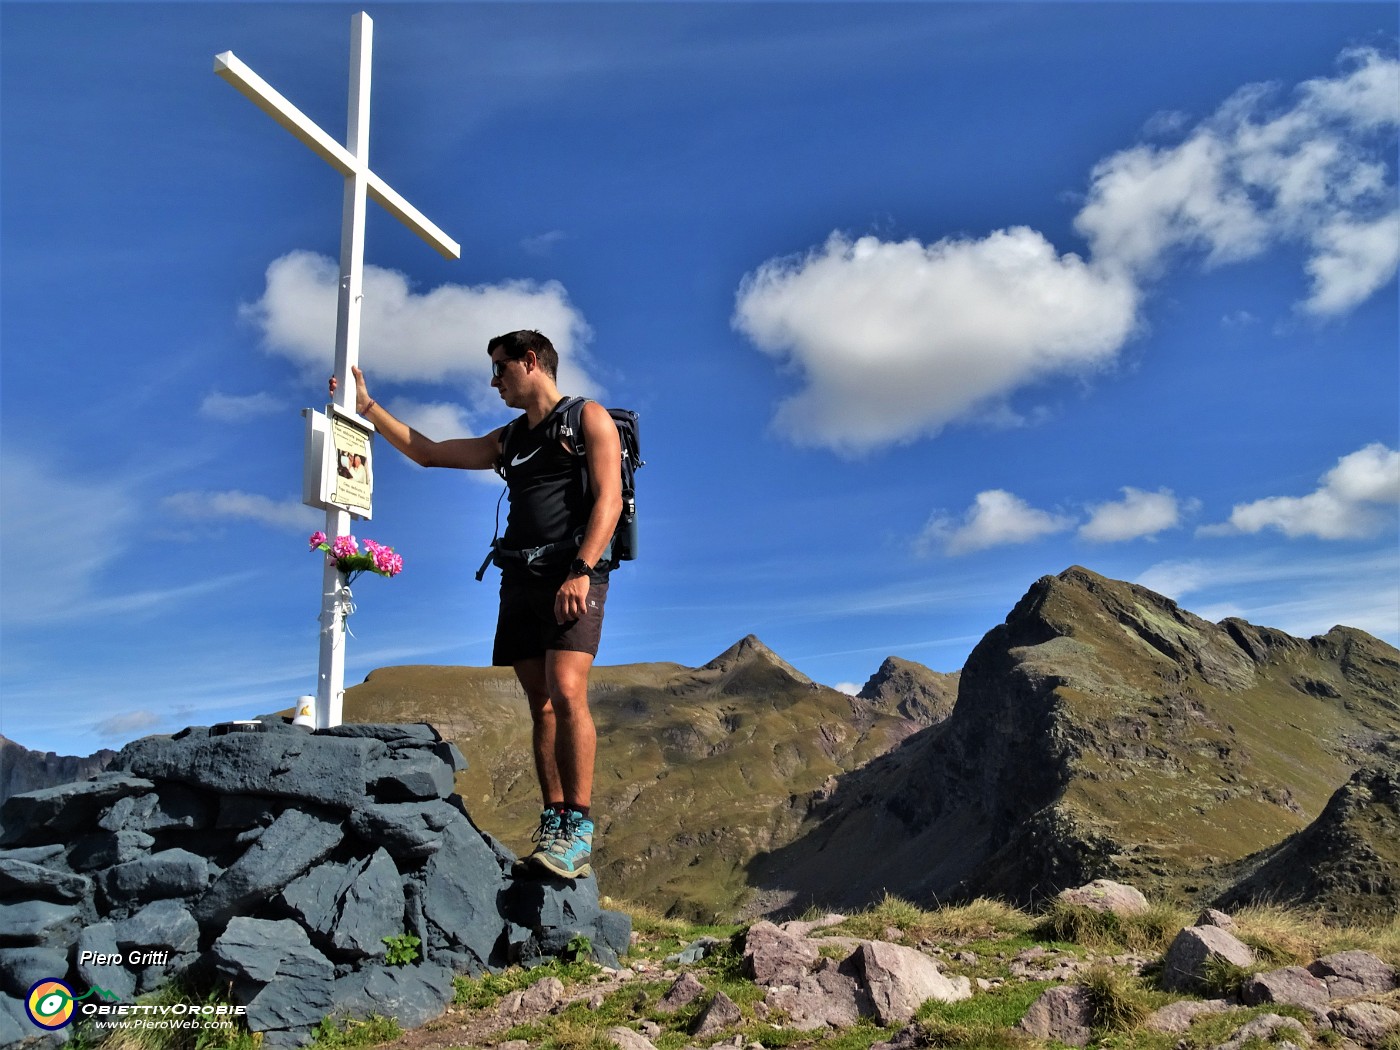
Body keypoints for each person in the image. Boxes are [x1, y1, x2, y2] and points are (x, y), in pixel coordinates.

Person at [333, 330, 622, 879]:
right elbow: (429, 453)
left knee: (566, 692)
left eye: (500, 368)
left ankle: (579, 828)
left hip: (571, 574)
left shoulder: (587, 418)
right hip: (519, 577)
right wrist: (369, 408)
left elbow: (609, 497)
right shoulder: (509, 438)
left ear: (531, 361)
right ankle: (555, 821)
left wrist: (582, 570)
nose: (494, 381)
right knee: (539, 703)